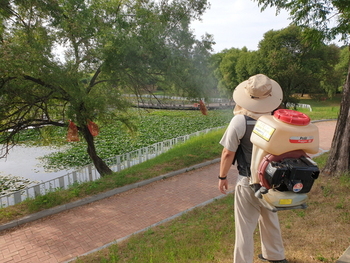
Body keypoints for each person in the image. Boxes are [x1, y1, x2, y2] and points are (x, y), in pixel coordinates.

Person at [218, 74, 288, 263]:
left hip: (248, 180)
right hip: (273, 178)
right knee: (270, 218)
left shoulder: (240, 121)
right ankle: (275, 256)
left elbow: (227, 153)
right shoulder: (277, 119)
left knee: (244, 227)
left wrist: (222, 176)